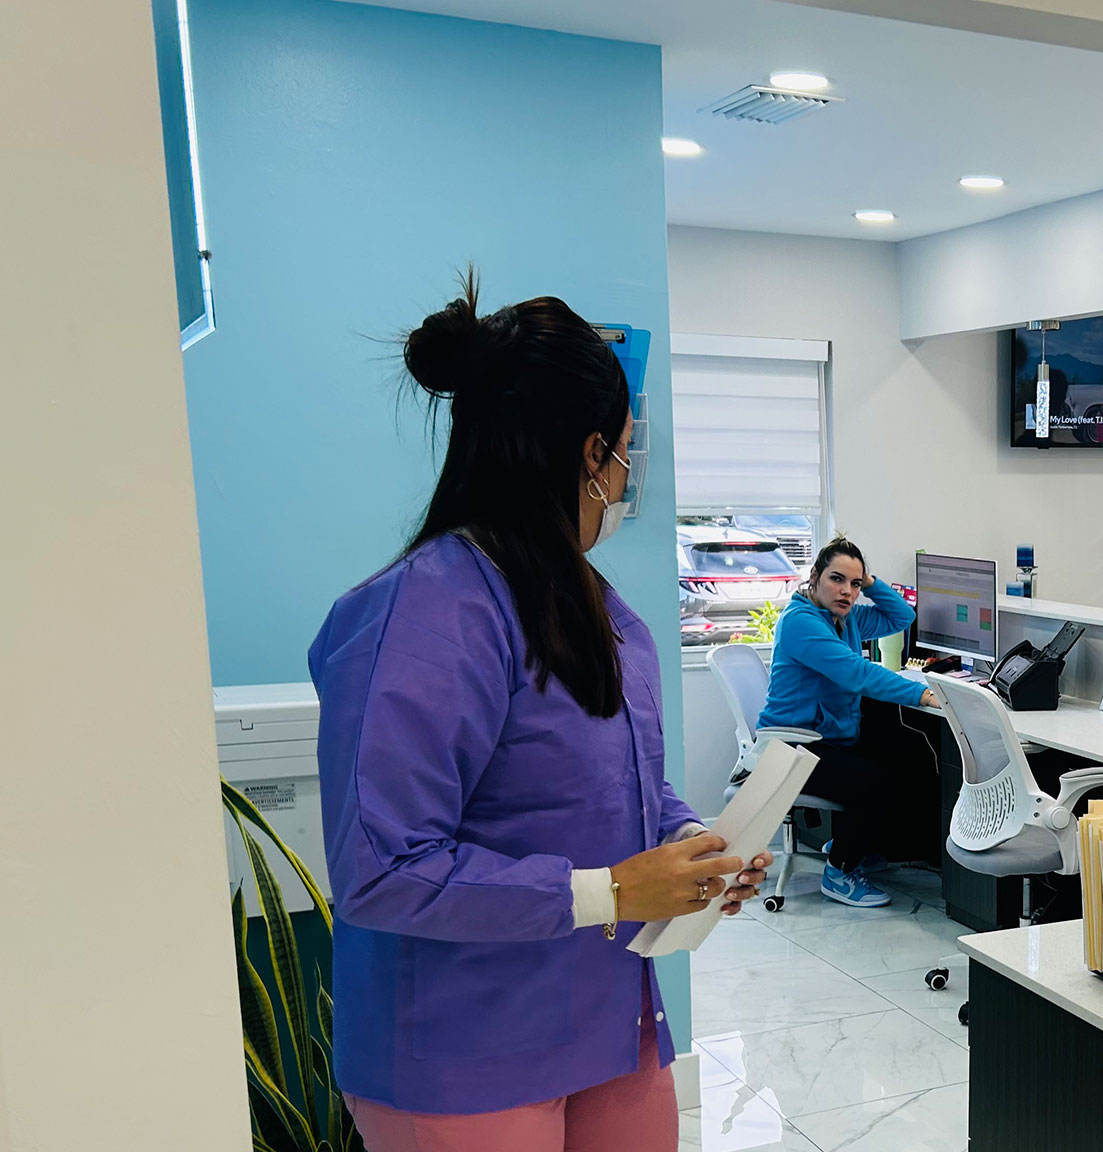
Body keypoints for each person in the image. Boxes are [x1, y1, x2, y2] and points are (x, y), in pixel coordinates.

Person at [309, 275, 770, 1152]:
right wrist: (612, 891)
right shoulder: (420, 614)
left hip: (608, 1023)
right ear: (592, 453)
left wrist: (697, 847)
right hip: (461, 1053)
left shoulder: (594, 605)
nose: (629, 476)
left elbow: (618, 788)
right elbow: (382, 867)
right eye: (629, 452)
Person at [757, 537, 938, 908]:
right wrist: (920, 694)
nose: (847, 591)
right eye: (837, 579)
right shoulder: (801, 623)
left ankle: (858, 844)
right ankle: (839, 872)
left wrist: (871, 582)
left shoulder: (846, 618)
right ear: (815, 577)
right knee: (875, 782)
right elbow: (856, 673)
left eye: (854, 584)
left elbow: (902, 617)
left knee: (909, 757)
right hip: (795, 746)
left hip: (827, 737)